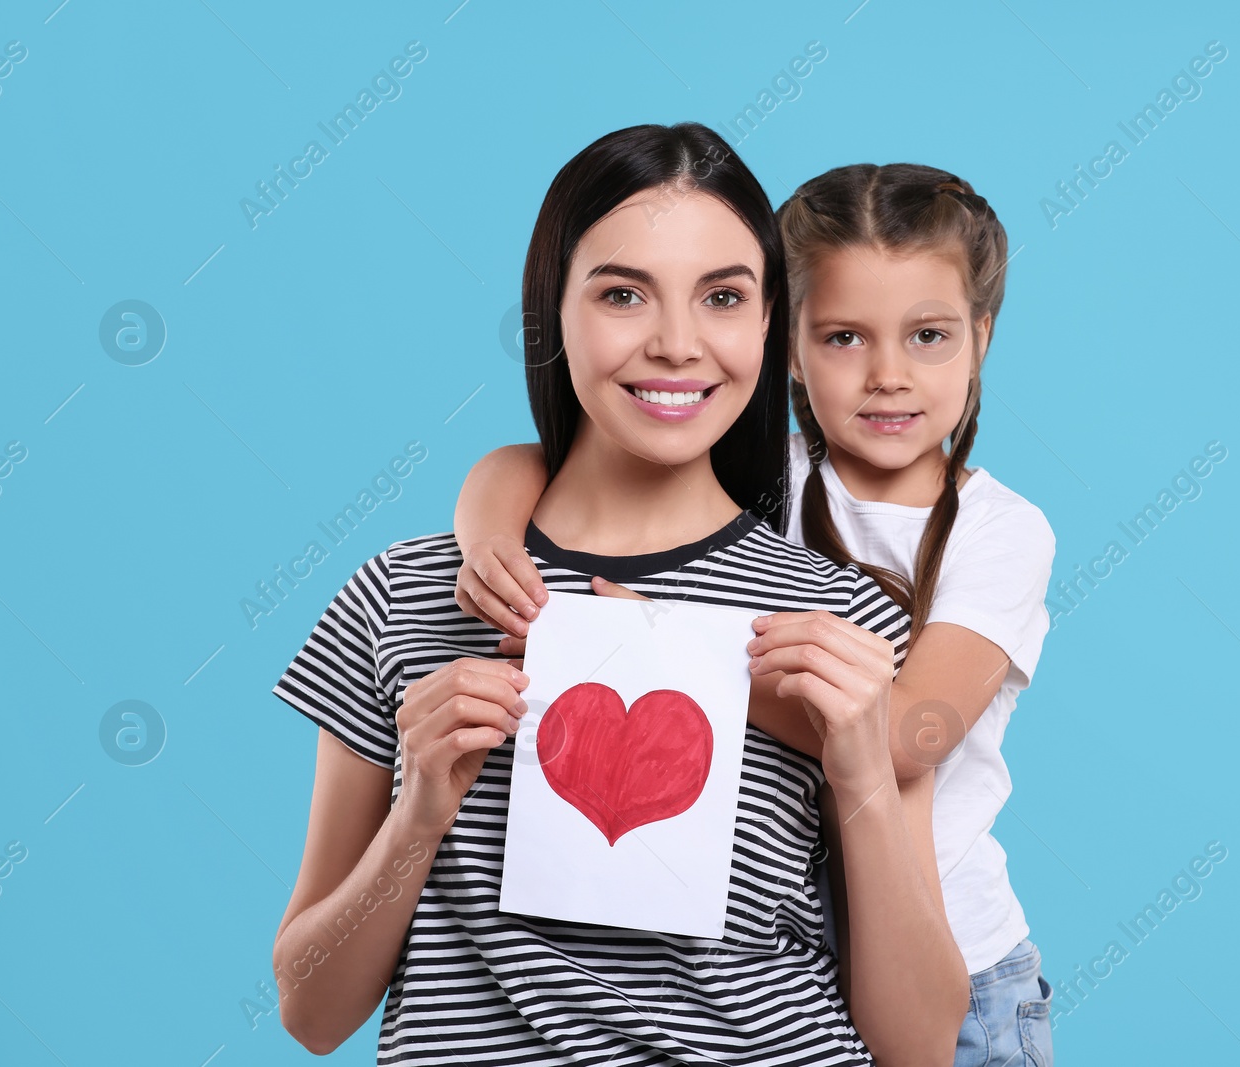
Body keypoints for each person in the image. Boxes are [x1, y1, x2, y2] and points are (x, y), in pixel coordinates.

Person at [271, 123, 968, 1066]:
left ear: (768, 323)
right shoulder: (408, 590)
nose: (678, 344)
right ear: (551, 313)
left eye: (722, 296)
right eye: (622, 294)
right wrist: (419, 812)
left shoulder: (843, 621)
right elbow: (311, 1014)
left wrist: (864, 781)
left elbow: (920, 1048)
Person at [452, 162, 1057, 1066]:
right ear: (787, 346)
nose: (889, 374)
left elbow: (901, 737)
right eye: (845, 336)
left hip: (954, 969)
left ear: (982, 336)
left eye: (928, 336)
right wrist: (488, 543)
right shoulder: (760, 473)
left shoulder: (1000, 531)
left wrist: (649, 640)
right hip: (776, 954)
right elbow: (526, 461)